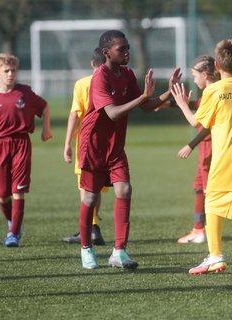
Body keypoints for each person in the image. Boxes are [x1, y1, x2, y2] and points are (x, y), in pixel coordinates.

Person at [78, 30, 181, 270]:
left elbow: (146, 106)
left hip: (115, 147)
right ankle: (86, 249)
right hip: (93, 145)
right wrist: (143, 96)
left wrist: (169, 90)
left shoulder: (127, 74)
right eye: (121, 49)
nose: (127, 52)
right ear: (106, 53)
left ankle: (119, 251)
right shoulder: (100, 77)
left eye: (128, 48)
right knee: (91, 197)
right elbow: (112, 113)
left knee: (124, 189)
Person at [172, 39, 232, 274]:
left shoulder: (213, 90)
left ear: (217, 67)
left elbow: (196, 122)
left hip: (226, 157)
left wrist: (182, 104)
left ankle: (215, 257)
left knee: (212, 204)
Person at [0, 53, 52, 247]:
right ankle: (12, 221)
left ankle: (13, 234)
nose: (11, 74)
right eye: (6, 71)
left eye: (13, 71)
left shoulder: (25, 92)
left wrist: (46, 128)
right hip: (0, 146)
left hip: (21, 144)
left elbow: (44, 107)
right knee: (3, 195)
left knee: (18, 190)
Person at [62, 48, 107, 246]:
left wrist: (68, 143)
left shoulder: (83, 83)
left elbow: (75, 114)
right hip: (107, 141)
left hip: (87, 141)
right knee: (97, 187)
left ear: (92, 64)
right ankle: (93, 226)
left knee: (85, 186)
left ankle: (90, 230)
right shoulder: (112, 80)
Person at [177, 55, 219, 244]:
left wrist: (190, 145)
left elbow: (200, 124)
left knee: (210, 191)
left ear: (205, 74)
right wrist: (167, 104)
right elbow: (197, 106)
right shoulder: (210, 92)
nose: (194, 80)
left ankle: (208, 232)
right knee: (199, 188)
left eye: (195, 76)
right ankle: (198, 229)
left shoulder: (214, 92)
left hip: (211, 146)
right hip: (205, 146)